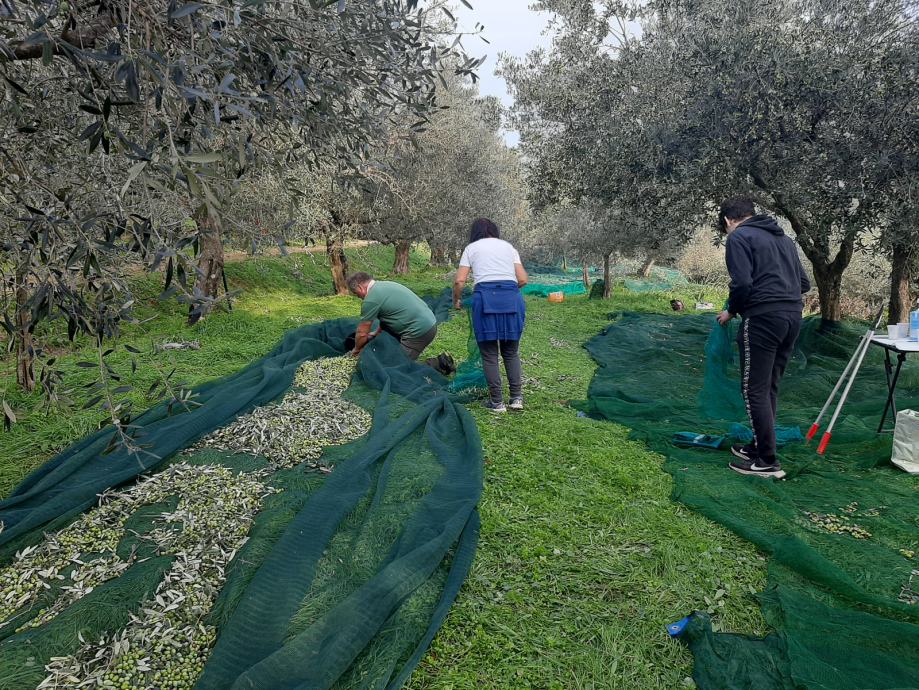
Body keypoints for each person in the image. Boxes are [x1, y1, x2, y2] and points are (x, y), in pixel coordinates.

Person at [716, 196, 811, 479]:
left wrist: (731, 311)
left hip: (763, 319)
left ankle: (768, 461)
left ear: (727, 221)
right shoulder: (785, 241)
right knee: (769, 386)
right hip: (793, 317)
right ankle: (759, 446)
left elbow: (743, 283)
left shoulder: (739, 237)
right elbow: (804, 283)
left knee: (753, 389)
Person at [453, 218, 528, 413]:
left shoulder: (471, 248)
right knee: (511, 352)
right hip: (512, 298)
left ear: (474, 233)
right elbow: (523, 279)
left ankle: (497, 402)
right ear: (495, 231)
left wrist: (457, 301)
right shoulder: (509, 247)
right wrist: (506, 291)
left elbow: (460, 281)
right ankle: (516, 398)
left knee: (489, 354)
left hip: (485, 299)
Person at [347, 272, 437, 361]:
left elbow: (362, 333)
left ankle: (438, 364)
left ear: (360, 287)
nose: (358, 296)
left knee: (394, 366)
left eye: (356, 293)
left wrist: (356, 350)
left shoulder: (371, 299)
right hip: (429, 320)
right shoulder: (385, 285)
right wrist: (376, 333)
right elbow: (388, 314)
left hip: (419, 331)